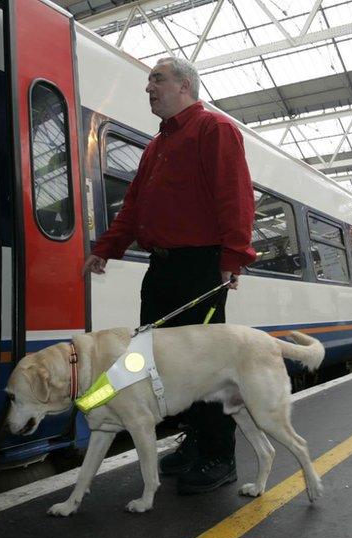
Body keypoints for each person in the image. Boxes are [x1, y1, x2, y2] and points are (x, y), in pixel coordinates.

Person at [81, 57, 256, 494]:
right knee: (160, 364)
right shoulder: (155, 148)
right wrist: (106, 248)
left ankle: (218, 456)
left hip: (200, 266)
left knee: (204, 365)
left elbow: (234, 197)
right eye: (148, 81)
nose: (148, 88)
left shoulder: (215, 129)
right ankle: (194, 443)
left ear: (185, 85)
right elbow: (135, 208)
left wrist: (233, 258)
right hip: (160, 268)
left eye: (156, 79)